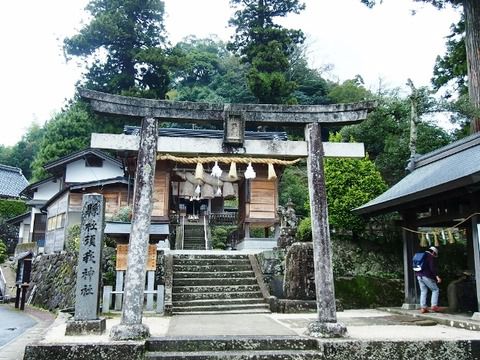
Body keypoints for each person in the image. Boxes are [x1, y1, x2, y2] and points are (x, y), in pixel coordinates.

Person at [416, 246, 442, 313]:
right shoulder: (430, 256)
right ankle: (434, 306)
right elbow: (432, 267)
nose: (434, 256)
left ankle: (423, 307)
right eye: (435, 254)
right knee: (435, 289)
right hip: (426, 276)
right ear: (433, 252)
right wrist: (437, 277)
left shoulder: (421, 255)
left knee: (423, 291)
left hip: (419, 276)